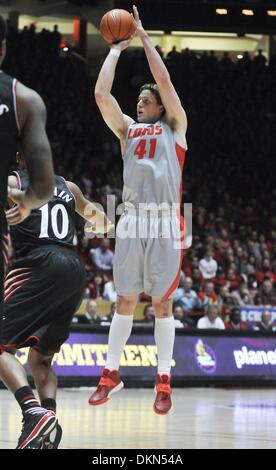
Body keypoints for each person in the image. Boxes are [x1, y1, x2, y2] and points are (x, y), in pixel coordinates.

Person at [89, 5, 187, 415]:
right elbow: (100, 95)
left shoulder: (176, 127)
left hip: (166, 221)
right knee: (124, 301)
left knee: (162, 305)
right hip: (130, 219)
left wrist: (143, 37)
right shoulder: (128, 129)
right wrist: (115, 48)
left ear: (160, 107)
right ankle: (110, 374)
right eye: (140, 100)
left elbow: (163, 79)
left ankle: (164, 381)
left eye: (147, 100)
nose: (141, 102)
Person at [1, 154, 112, 449]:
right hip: (73, 268)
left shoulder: (13, 179)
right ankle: (47, 424)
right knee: (41, 358)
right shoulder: (68, 186)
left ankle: (31, 412)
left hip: (37, 263)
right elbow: (103, 223)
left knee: (2, 347)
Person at [0, 15, 55, 448]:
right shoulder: (24, 99)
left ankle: (35, 412)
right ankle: (35, 411)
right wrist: (26, 204)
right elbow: (43, 188)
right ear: (3, 47)